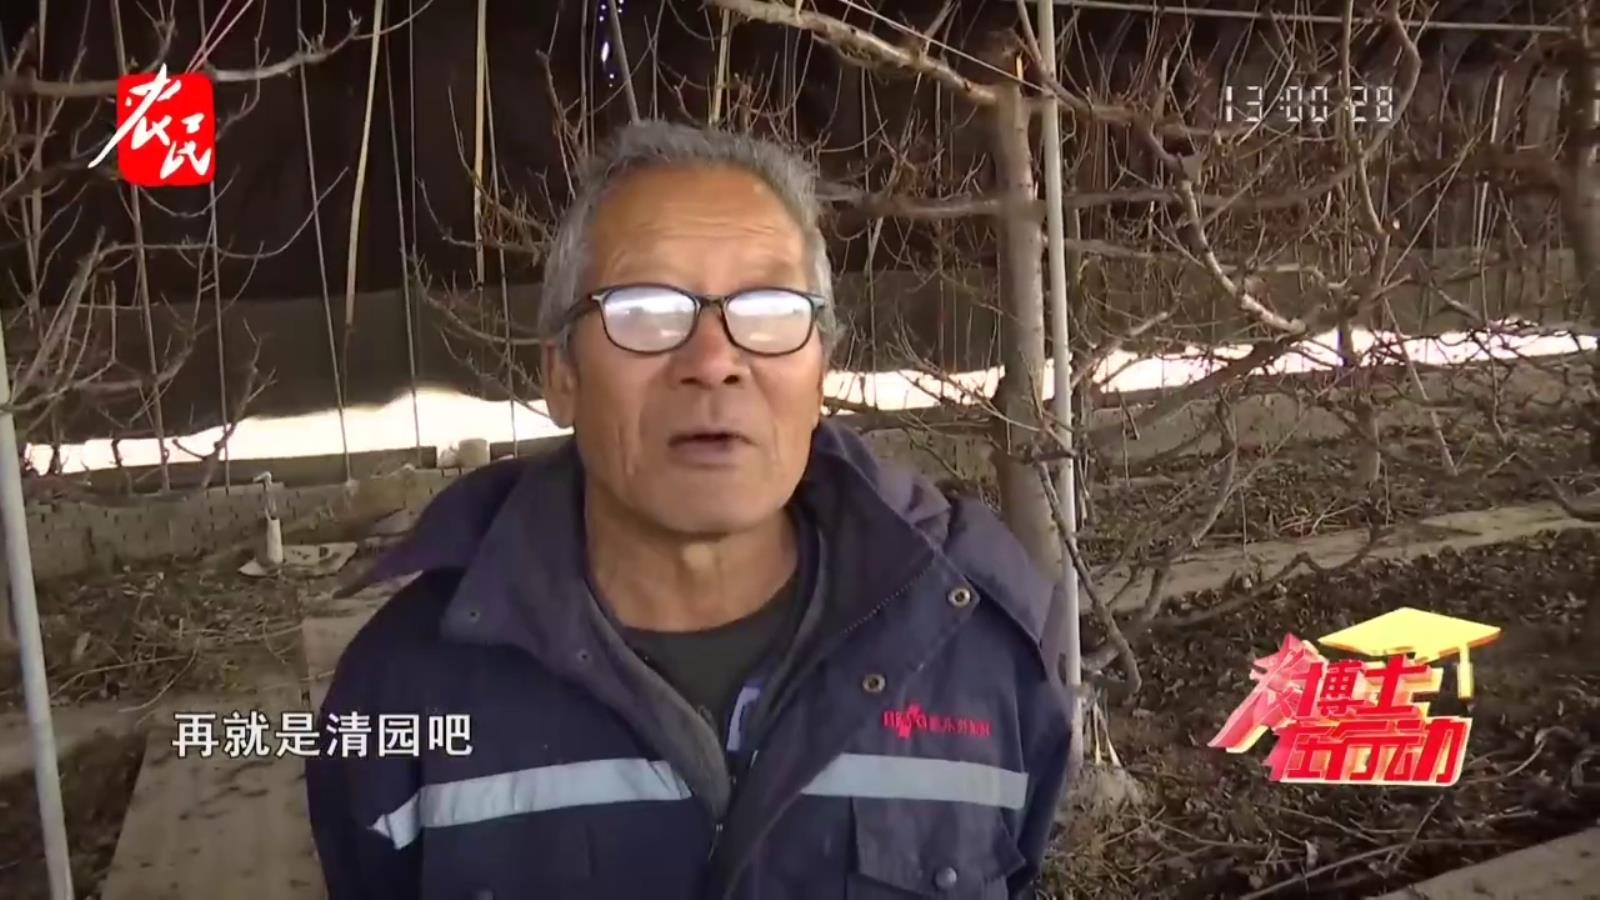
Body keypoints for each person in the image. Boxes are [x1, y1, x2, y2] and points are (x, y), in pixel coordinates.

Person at [305, 120, 1074, 900]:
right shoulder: (405, 689)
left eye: (769, 309)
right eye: (644, 311)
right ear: (561, 375)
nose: (713, 362)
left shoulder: (973, 652)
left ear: (820, 372)